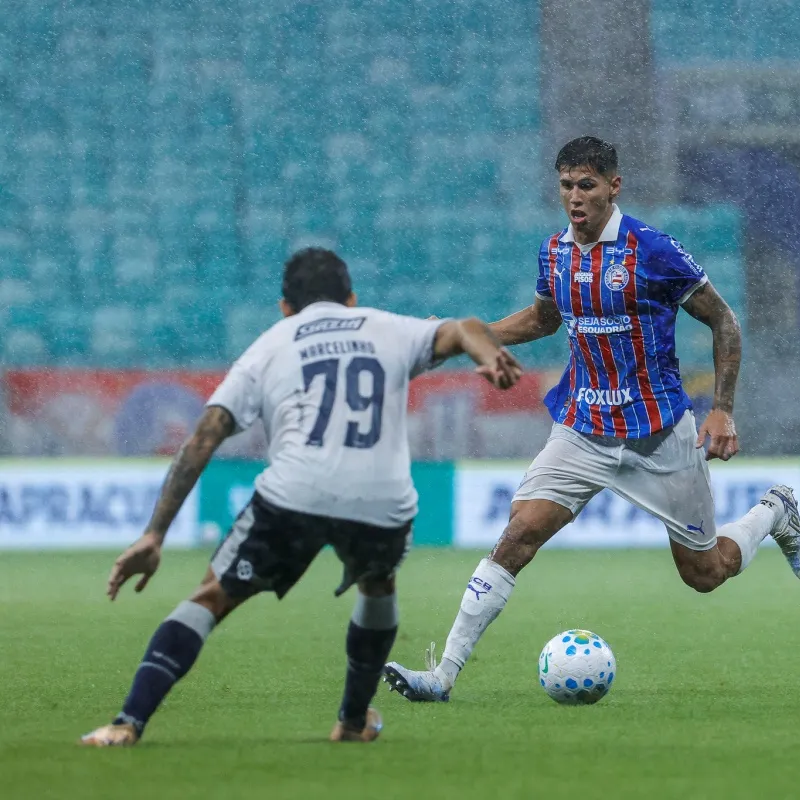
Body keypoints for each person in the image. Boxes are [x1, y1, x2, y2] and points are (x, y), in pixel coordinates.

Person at [383, 136, 800, 702]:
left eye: (587, 184)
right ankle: (441, 677)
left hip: (657, 435)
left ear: (614, 186)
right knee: (517, 536)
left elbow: (725, 321)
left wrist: (723, 411)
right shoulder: (554, 253)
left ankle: (773, 511)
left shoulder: (653, 250)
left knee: (704, 573)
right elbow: (544, 318)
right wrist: (473, 336)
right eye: (566, 185)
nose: (575, 197)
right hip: (583, 427)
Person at [79, 248, 523, 746]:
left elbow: (204, 436)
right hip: (379, 500)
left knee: (211, 597)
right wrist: (486, 353)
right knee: (377, 586)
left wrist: (154, 534)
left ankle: (126, 723)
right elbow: (463, 327)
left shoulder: (270, 345)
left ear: (284, 307)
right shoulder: (386, 328)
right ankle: (353, 722)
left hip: (295, 493)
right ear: (351, 300)